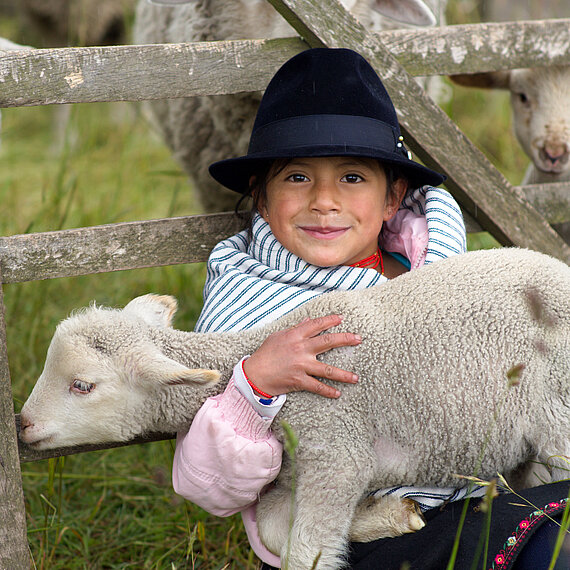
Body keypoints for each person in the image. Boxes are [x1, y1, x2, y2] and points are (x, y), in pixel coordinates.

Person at [171, 48, 570, 569]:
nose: (324, 200)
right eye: (296, 177)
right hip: (353, 536)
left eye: (352, 177)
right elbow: (211, 485)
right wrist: (255, 384)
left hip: (482, 494)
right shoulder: (249, 303)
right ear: (261, 197)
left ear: (392, 197)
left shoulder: (441, 275)